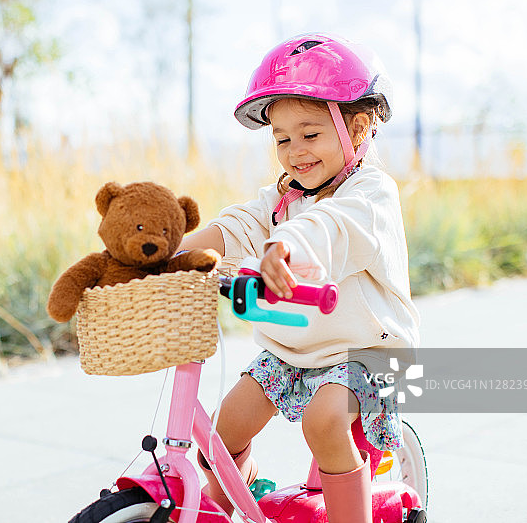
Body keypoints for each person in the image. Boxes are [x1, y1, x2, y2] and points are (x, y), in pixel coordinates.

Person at [177, 33, 419, 523]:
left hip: (368, 352)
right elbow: (240, 223)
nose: (295, 151)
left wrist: (285, 246)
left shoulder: (370, 193)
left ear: (356, 128)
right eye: (282, 138)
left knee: (325, 421)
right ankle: (238, 495)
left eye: (310, 134)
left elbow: (330, 228)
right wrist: (177, 253)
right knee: (222, 431)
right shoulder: (284, 196)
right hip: (292, 352)